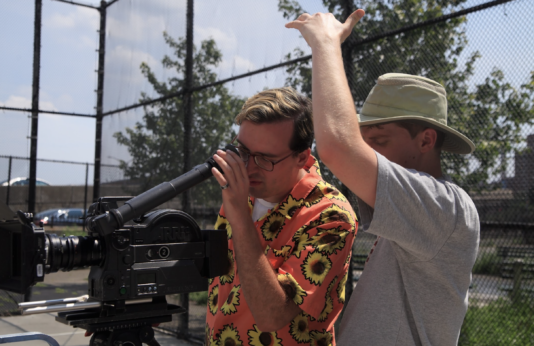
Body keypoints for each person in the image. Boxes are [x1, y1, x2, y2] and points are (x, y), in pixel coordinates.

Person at [286, 11, 480, 346]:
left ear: (425, 141)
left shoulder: (444, 206)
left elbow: (336, 147)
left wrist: (326, 43)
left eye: (378, 139)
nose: (367, 150)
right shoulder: (412, 210)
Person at [207, 87, 357, 346]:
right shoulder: (244, 192)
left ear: (302, 157)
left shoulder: (331, 216)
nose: (248, 167)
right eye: (243, 151)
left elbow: (272, 315)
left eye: (265, 159)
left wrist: (242, 220)